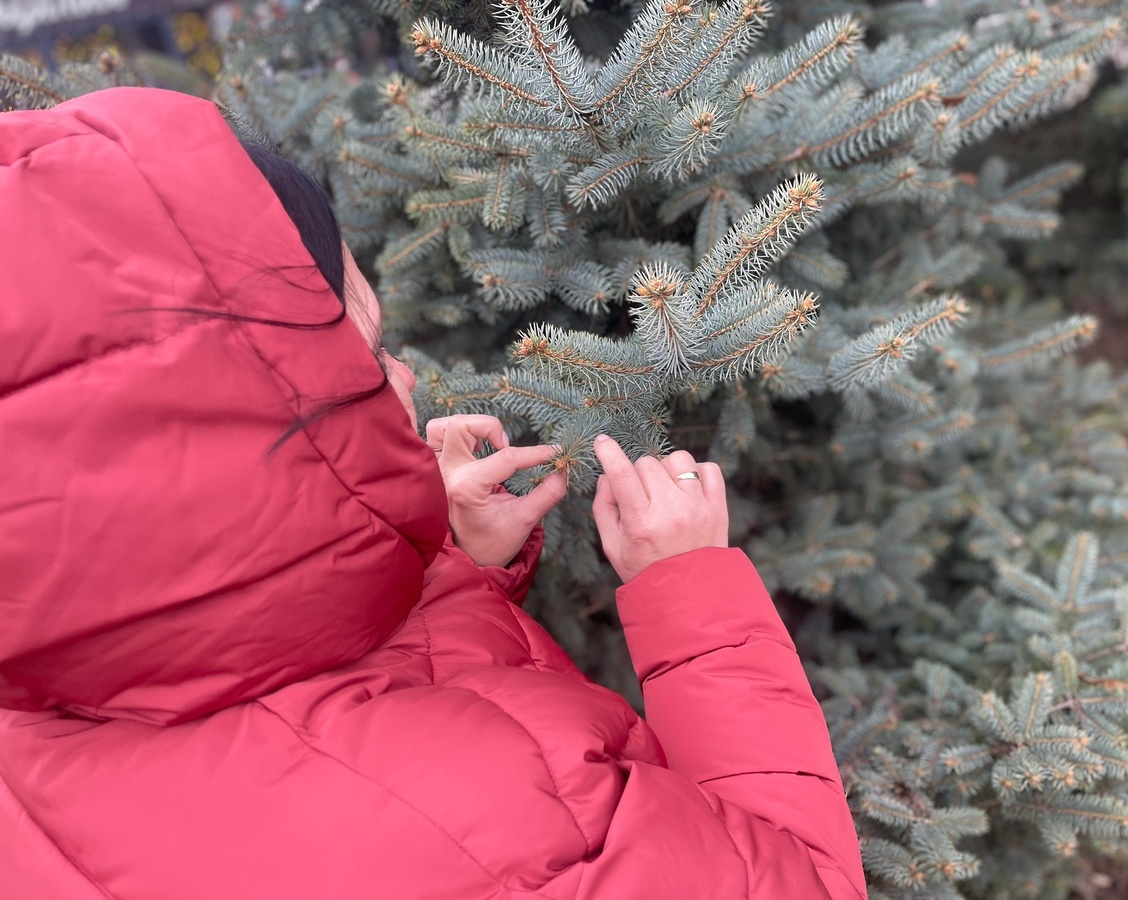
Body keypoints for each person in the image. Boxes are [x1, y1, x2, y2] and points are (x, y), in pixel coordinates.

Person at [0, 87, 866, 899]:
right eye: (366, 353)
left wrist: (440, 562)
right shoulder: (489, 817)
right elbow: (800, 883)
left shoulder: (45, 703)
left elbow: (290, 693)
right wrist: (691, 593)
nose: (406, 375)